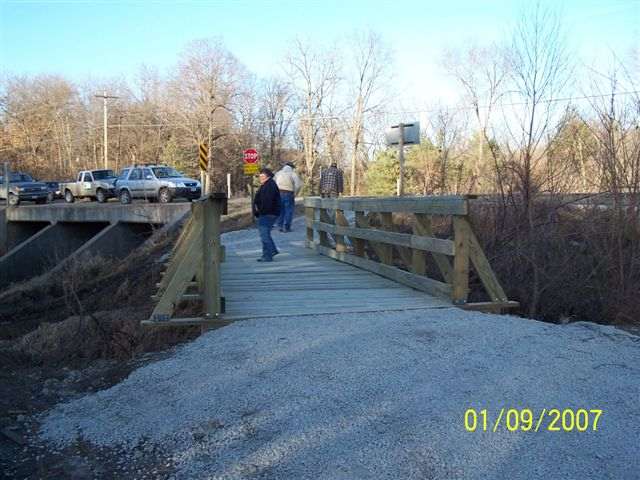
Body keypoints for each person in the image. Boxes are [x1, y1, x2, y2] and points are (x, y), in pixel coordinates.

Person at [253, 168, 281, 262]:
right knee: (265, 234)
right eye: (260, 176)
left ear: (267, 176)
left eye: (262, 176)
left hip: (268, 213)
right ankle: (271, 251)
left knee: (264, 234)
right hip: (268, 212)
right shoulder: (266, 184)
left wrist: (261, 211)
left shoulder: (269, 185)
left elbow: (267, 201)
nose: (260, 177)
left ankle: (268, 255)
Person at [274, 161, 303, 232]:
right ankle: (287, 227)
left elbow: (273, 182)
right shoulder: (293, 174)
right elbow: (298, 185)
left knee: (280, 210)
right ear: (292, 167)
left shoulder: (278, 173)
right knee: (288, 210)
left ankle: (279, 226)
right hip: (288, 192)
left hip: (279, 192)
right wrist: (295, 193)